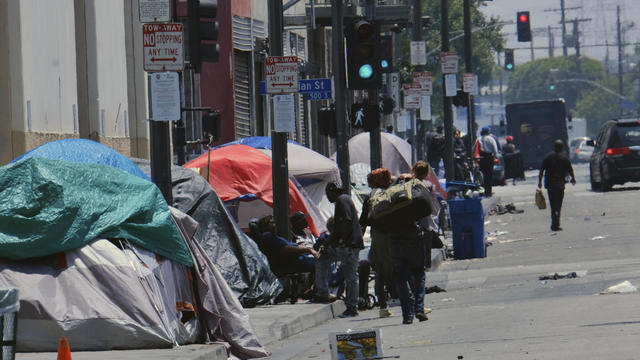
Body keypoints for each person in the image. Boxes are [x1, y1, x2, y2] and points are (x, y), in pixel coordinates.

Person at [314, 182, 364, 318]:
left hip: (348, 245)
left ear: (332, 191)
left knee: (351, 277)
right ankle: (323, 293)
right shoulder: (343, 200)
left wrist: (341, 241)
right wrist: (327, 243)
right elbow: (337, 228)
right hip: (346, 244)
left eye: (328, 194)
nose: (327, 197)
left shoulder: (342, 200)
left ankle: (352, 308)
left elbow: (346, 223)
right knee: (322, 259)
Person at [359, 167, 395, 318]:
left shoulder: (370, 197)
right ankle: (409, 303)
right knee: (395, 270)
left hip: (377, 237)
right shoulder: (391, 193)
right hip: (392, 237)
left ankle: (383, 306)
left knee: (380, 273)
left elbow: (363, 220)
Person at [538, 139, 576, 231]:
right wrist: (573, 179)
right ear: (562, 148)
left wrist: (539, 182)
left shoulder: (548, 158)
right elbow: (570, 170)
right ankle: (556, 222)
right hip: (560, 185)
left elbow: (541, 170)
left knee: (552, 203)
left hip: (550, 184)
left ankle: (554, 222)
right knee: (558, 204)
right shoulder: (564, 158)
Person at [477, 126, 498, 197]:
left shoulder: (478, 139)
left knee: (482, 175)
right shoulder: (491, 139)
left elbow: (474, 149)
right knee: (489, 176)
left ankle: (482, 191)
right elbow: (495, 150)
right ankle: (489, 192)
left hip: (481, 158)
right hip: (489, 158)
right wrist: (495, 157)